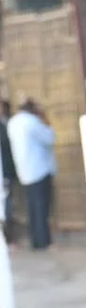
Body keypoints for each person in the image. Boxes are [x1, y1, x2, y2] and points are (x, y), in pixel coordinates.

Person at [6, 99, 55, 251]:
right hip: (39, 169)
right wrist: (44, 118)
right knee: (41, 207)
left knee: (32, 208)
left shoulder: (13, 122)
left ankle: (35, 240)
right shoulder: (33, 122)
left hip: (24, 171)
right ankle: (43, 241)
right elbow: (49, 138)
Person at [0, 100, 16, 245]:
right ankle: (8, 239)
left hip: (8, 171)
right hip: (4, 172)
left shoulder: (6, 123)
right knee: (6, 206)